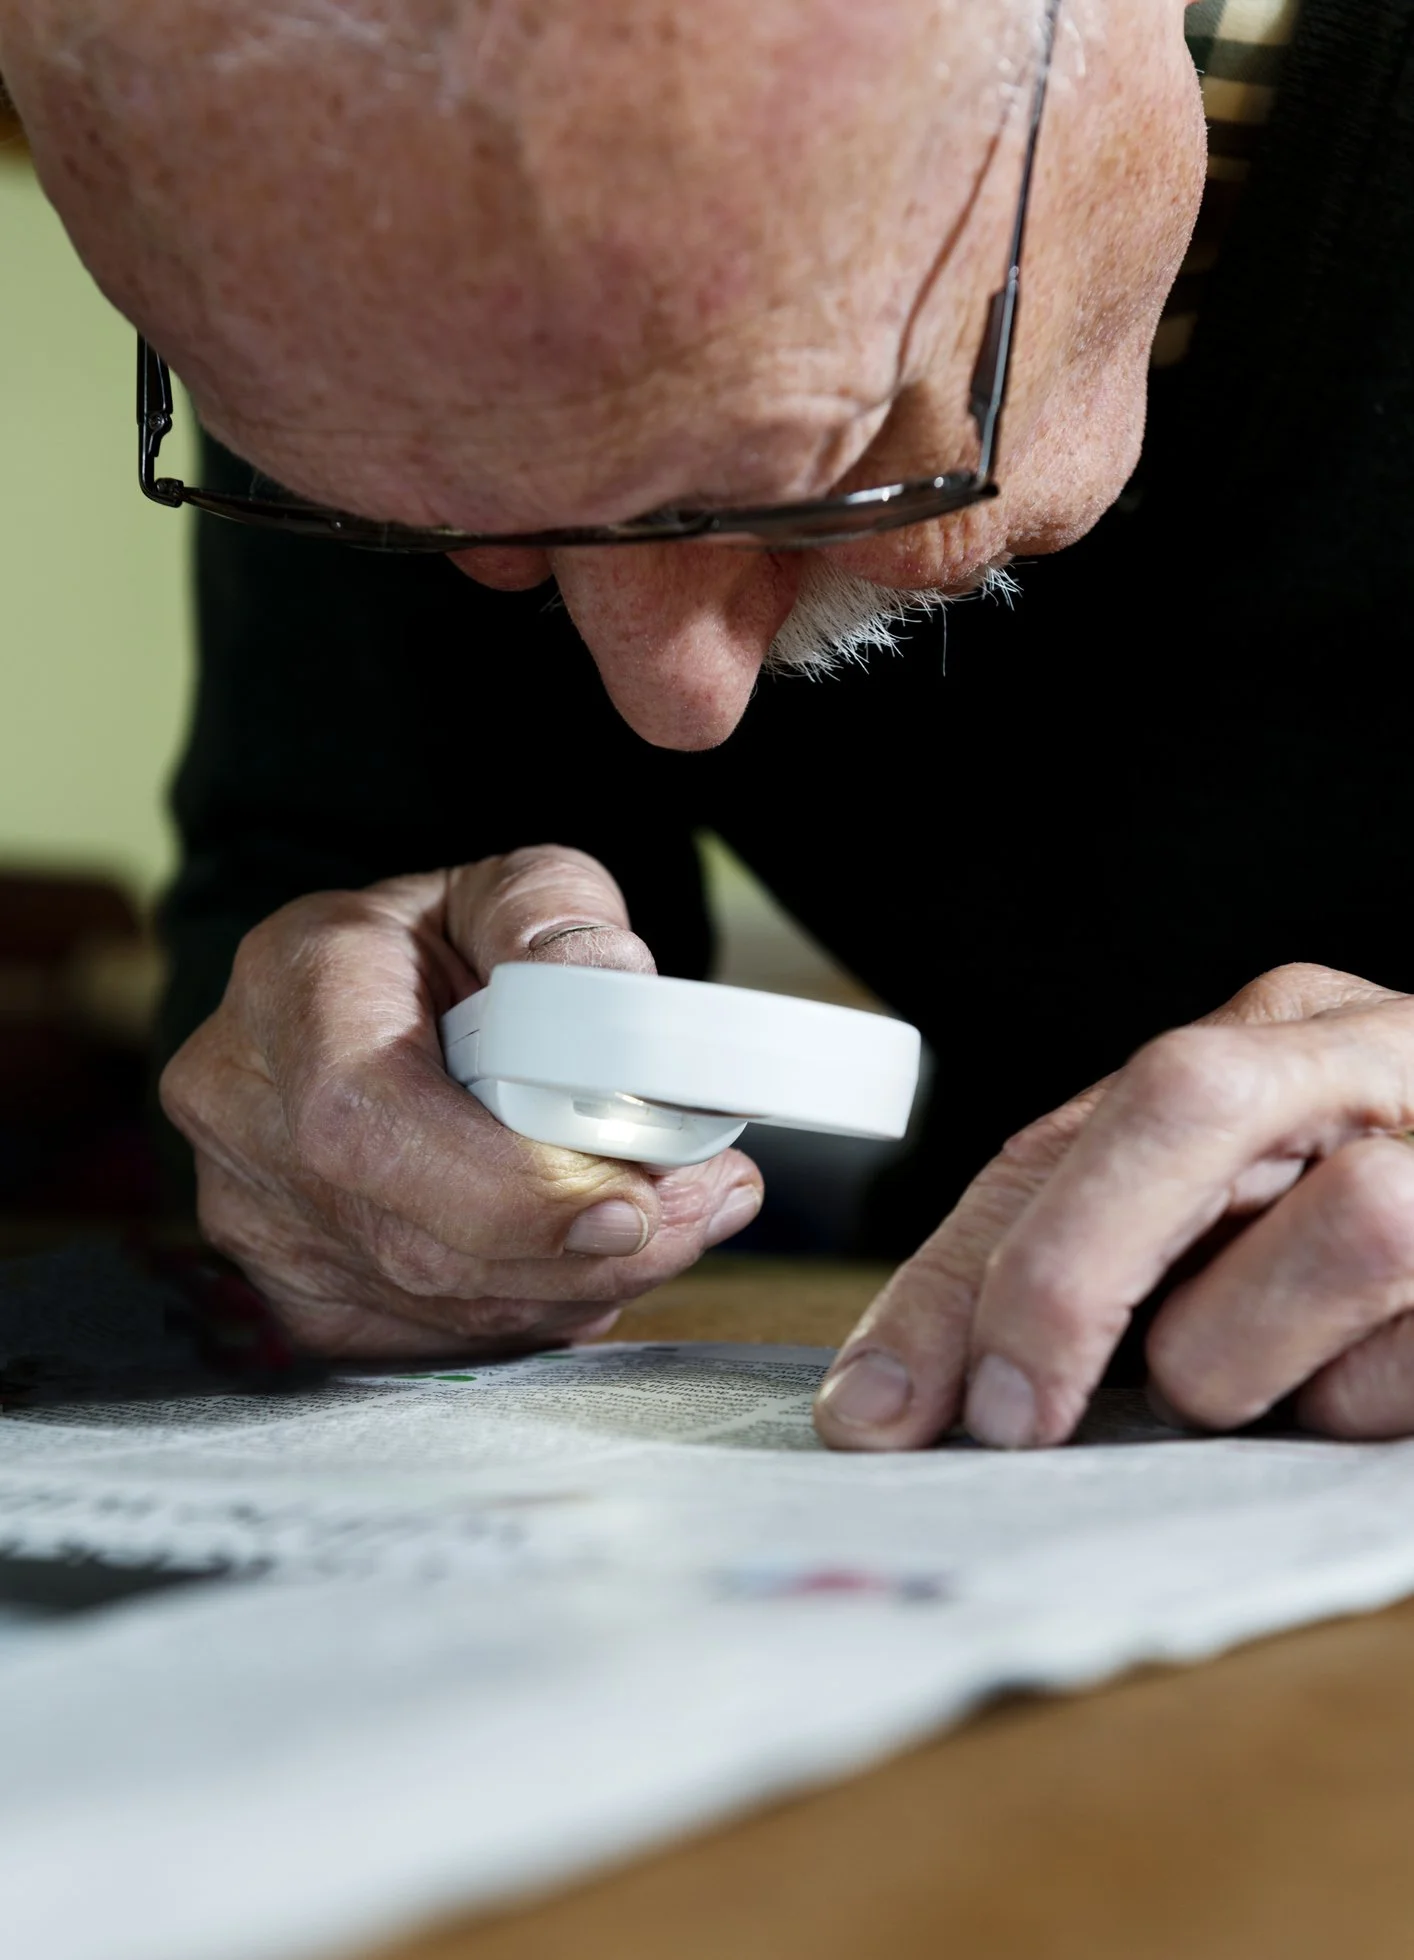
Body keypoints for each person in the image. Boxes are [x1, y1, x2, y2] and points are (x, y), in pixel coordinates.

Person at [2, 0, 1411, 1451]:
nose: (678, 702)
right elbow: (329, 885)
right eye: (451, 527)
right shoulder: (367, 230)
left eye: (821, 473)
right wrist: (349, 1160)